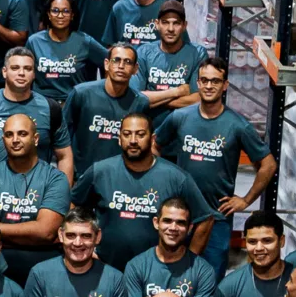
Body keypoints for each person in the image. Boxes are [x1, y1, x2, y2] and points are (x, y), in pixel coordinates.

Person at [158, 60, 276, 266]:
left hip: (217, 217)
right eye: (204, 80)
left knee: (210, 283)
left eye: (215, 81)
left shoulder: (238, 125)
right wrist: (162, 179)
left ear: (225, 85)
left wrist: (246, 200)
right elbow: (155, 144)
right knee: (174, 276)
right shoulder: (180, 117)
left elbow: (269, 164)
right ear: (198, 83)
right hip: (181, 216)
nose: (209, 86)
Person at [84, 111, 208, 270]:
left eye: (140, 134)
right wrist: (86, 249)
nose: (133, 141)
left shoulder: (177, 177)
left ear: (152, 138)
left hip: (158, 274)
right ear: (119, 139)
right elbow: (75, 205)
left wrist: (187, 264)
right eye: (127, 134)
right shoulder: (100, 171)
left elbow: (205, 219)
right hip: (105, 268)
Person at [0, 111, 69, 283]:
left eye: (22, 134)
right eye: (9, 135)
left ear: (36, 138)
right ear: (3, 140)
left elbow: (46, 232)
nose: (15, 140)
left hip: (45, 269)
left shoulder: (56, 178)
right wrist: (33, 233)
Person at [62, 42, 150, 177]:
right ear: (106, 64)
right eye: (116, 60)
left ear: (135, 69)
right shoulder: (81, 93)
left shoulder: (140, 102)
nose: (121, 66)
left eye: (127, 62)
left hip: (118, 177)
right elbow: (62, 136)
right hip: (80, 174)